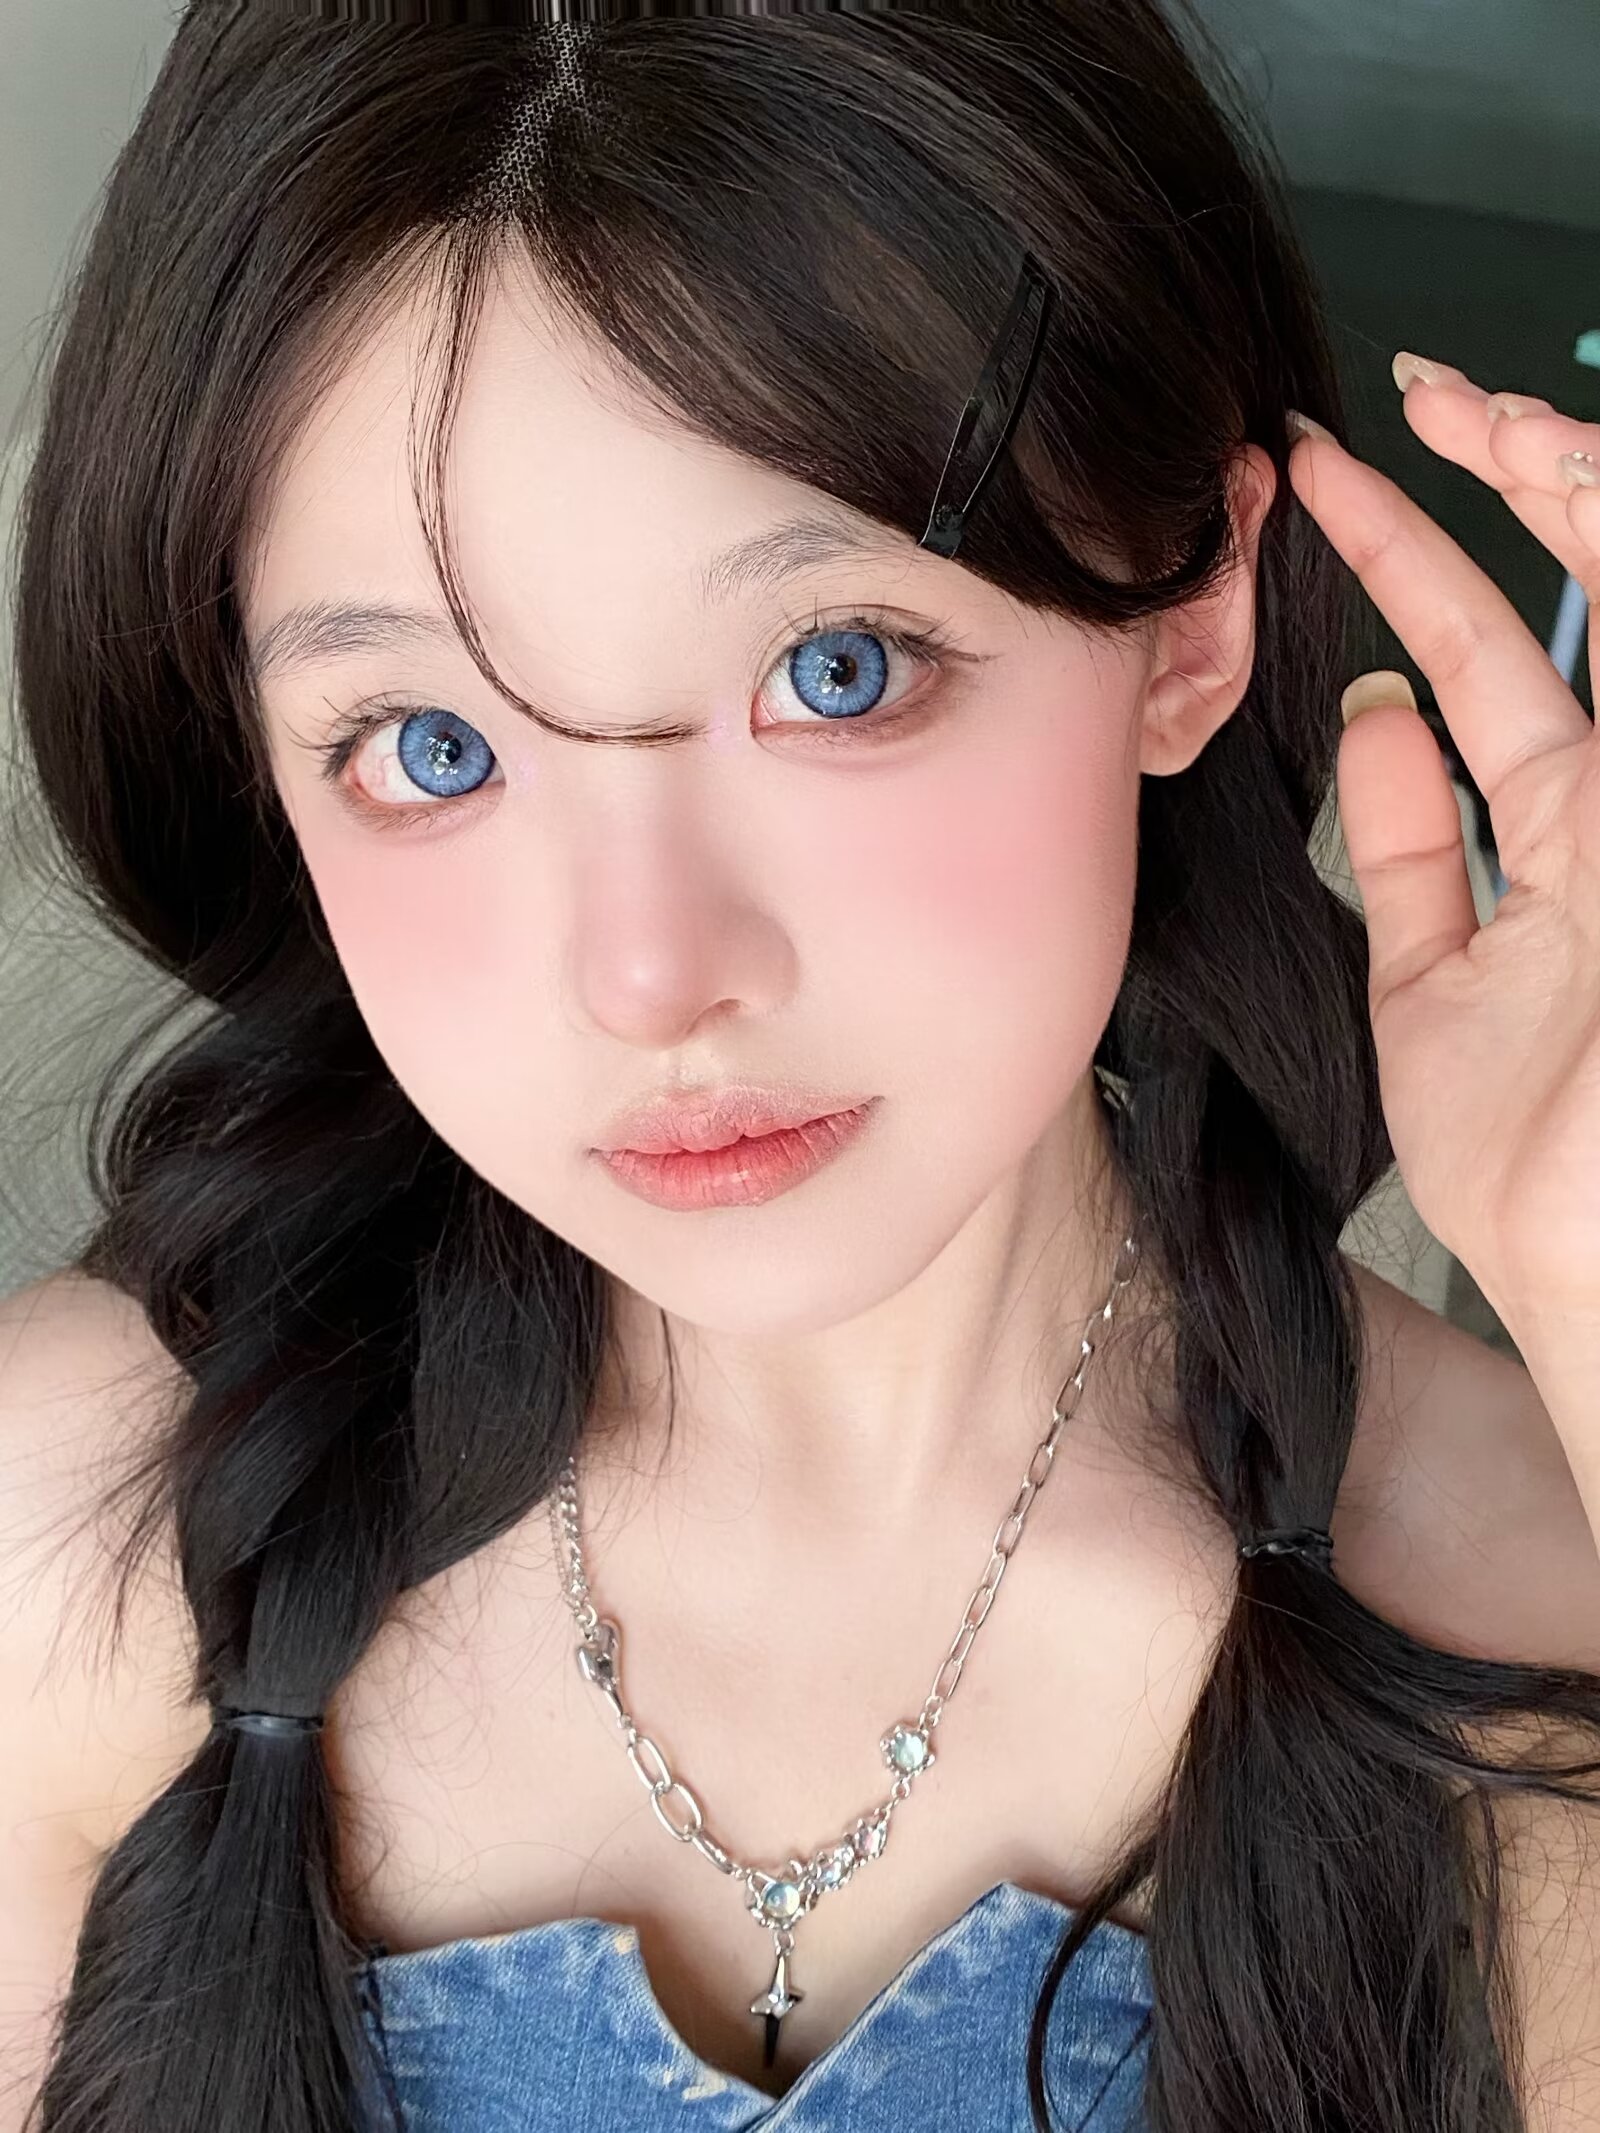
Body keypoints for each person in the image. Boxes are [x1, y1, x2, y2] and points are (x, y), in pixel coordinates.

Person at [3, 2, 1599, 2129]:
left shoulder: (1530, 1607)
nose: (651, 975)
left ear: (1189, 621)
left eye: (833, 673)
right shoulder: (72, 1540)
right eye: (431, 745)